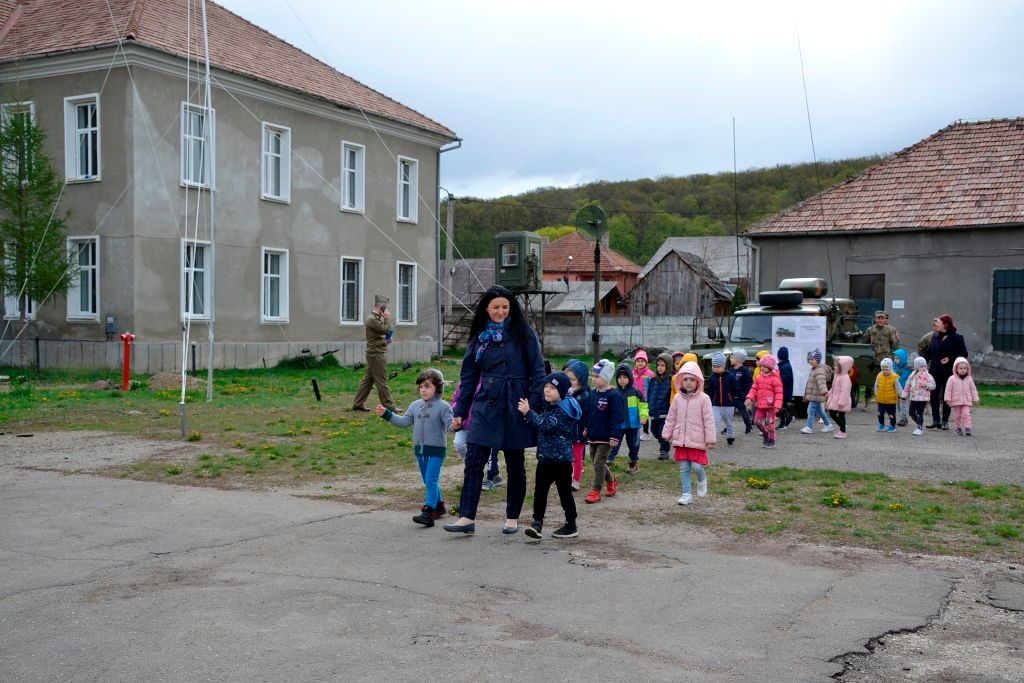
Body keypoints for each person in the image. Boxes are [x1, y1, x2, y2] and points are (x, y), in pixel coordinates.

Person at [444, 286, 545, 535]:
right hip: (485, 404)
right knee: (474, 460)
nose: (501, 312)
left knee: (515, 464)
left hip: (516, 404)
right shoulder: (479, 337)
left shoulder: (524, 333)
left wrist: (532, 404)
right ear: (486, 309)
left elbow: (539, 371)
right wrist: (460, 410)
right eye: (495, 307)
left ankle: (512, 517)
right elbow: (468, 376)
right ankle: (466, 517)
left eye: (505, 307)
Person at [376, 368, 453, 527]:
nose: (423, 390)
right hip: (420, 451)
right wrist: (387, 414)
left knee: (431, 481)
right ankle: (439, 506)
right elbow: (404, 422)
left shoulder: (444, 406)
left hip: (436, 452)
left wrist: (457, 425)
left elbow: (450, 426)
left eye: (427, 386)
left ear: (437, 388)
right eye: (421, 387)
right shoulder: (415, 405)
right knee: (428, 481)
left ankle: (428, 512)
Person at [518, 372, 581, 540]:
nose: (547, 390)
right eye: (546, 386)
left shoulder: (562, 411)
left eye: (552, 388)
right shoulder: (551, 405)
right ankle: (537, 524)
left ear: (561, 391)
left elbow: (546, 425)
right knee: (540, 492)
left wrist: (528, 412)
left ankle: (571, 524)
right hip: (545, 459)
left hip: (561, 462)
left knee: (564, 494)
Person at [662, 360, 715, 505]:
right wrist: (667, 433)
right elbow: (671, 417)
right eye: (685, 379)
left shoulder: (704, 399)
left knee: (697, 466)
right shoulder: (677, 399)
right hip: (681, 440)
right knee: (684, 467)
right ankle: (686, 494)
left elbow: (709, 420)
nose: (689, 382)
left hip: (697, 439)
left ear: (698, 381)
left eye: (692, 379)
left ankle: (702, 479)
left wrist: (710, 439)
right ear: (680, 381)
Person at [583, 359, 625, 504]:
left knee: (598, 463)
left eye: (596, 376)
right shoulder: (593, 394)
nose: (593, 379)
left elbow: (617, 417)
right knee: (596, 461)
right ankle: (612, 481)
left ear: (606, 377)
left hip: (607, 437)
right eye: (592, 376)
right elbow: (589, 414)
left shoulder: (614, 396)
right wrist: (586, 428)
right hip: (594, 435)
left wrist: (615, 435)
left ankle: (595, 491)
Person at [450, 378, 502, 487]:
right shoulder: (463, 384)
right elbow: (455, 400)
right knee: (458, 444)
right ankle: (472, 465)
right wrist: (457, 411)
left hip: (481, 425)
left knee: (485, 449)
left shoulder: (489, 382)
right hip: (463, 423)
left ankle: (491, 471)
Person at [351, 294, 396, 412]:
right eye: (385, 307)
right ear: (381, 306)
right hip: (376, 354)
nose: (386, 310)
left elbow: (377, 337)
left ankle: (357, 404)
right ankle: (388, 407)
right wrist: (386, 318)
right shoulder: (372, 319)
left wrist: (386, 341)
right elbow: (386, 329)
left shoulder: (375, 319)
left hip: (375, 352)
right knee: (382, 381)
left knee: (368, 381)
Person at [924, 314, 969, 430]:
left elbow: (964, 354)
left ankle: (945, 420)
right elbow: (928, 353)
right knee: (933, 394)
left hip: (949, 372)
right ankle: (936, 420)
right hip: (934, 370)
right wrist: (922, 365)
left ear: (945, 324)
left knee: (946, 396)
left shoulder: (957, 338)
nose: (935, 324)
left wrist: (950, 358)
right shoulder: (935, 336)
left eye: (938, 322)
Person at [608, 363, 648, 475]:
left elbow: (643, 405)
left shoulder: (636, 392)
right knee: (613, 444)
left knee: (634, 445)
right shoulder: (614, 393)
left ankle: (633, 462)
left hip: (633, 425)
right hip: (618, 425)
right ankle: (609, 463)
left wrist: (643, 416)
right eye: (619, 377)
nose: (622, 380)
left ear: (630, 378)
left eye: (625, 377)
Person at [562, 359, 591, 490]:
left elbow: (588, 415)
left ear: (581, 380)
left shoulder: (584, 396)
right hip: (567, 432)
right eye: (568, 379)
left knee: (577, 457)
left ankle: (576, 480)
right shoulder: (565, 393)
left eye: (573, 380)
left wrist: (587, 428)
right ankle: (566, 477)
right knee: (566, 457)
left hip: (579, 432)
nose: (570, 383)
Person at [861, 310, 900, 407]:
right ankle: (867, 402)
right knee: (870, 381)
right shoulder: (870, 330)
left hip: (886, 360)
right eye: (878, 318)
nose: (880, 320)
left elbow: (894, 345)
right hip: (873, 359)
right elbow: (864, 343)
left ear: (885, 319)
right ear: (875, 319)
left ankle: (888, 401)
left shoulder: (889, 330)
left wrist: (893, 357)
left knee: (888, 381)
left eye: (882, 318)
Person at [745, 353, 783, 448]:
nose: (762, 368)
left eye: (765, 367)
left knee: (770, 423)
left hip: (771, 406)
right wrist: (750, 397)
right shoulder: (759, 377)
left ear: (770, 367)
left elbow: (779, 393)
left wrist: (777, 405)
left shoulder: (775, 379)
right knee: (757, 421)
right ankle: (765, 434)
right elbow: (754, 389)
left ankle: (771, 439)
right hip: (760, 404)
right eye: (762, 366)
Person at [645, 352, 675, 459]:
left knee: (663, 431)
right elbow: (649, 394)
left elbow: (673, 395)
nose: (660, 368)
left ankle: (664, 451)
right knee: (654, 431)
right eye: (658, 365)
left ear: (668, 366)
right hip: (654, 411)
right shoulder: (653, 380)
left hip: (665, 412)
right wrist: (648, 405)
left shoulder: (671, 380)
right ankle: (664, 441)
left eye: (663, 365)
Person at [705, 352, 739, 446]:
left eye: (718, 366)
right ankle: (712, 440)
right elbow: (710, 392)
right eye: (714, 366)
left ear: (724, 366)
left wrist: (742, 399)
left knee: (729, 423)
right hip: (716, 405)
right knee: (714, 423)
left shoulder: (731, 376)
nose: (715, 368)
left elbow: (737, 389)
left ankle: (730, 438)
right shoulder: (712, 378)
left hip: (728, 405)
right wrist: (708, 402)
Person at [800, 349, 834, 434]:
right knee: (819, 411)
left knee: (810, 410)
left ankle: (809, 427)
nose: (810, 361)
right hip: (816, 395)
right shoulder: (815, 369)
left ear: (817, 360)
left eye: (812, 359)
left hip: (817, 395)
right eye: (809, 359)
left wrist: (825, 392)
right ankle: (828, 424)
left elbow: (821, 382)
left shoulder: (819, 370)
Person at [943, 357, 980, 436]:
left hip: (966, 400)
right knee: (958, 416)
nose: (963, 370)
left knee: (966, 414)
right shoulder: (951, 379)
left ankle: (967, 428)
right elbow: (948, 390)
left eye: (964, 368)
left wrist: (976, 399)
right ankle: (958, 428)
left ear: (967, 369)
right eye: (960, 368)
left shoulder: (969, 379)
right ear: (956, 369)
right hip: (956, 401)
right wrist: (947, 399)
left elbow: (973, 389)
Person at [901, 356, 936, 436]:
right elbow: (907, 386)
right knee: (911, 413)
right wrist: (904, 395)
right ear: (916, 367)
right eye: (921, 366)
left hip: (923, 398)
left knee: (920, 413)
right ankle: (919, 423)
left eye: (925, 366)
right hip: (913, 397)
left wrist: (926, 384)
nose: (924, 368)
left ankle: (919, 428)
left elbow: (933, 386)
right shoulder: (912, 375)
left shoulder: (928, 376)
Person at [825, 355, 854, 439]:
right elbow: (834, 387)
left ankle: (843, 431)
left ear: (843, 367)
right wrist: (829, 393)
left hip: (841, 402)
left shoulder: (845, 378)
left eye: (837, 365)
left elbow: (845, 391)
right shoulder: (837, 375)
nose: (835, 367)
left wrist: (842, 402)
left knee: (841, 415)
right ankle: (842, 425)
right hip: (835, 400)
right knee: (832, 413)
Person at [873, 358, 903, 433]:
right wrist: (876, 393)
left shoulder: (894, 377)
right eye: (883, 369)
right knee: (880, 413)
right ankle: (881, 425)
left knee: (891, 414)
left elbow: (898, 387)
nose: (885, 371)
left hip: (891, 401)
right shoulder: (879, 375)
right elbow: (876, 385)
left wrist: (902, 395)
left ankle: (892, 426)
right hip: (881, 400)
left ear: (891, 369)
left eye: (887, 369)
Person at [727, 350, 754, 434]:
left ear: (738, 359)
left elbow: (749, 383)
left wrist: (749, 396)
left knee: (744, 413)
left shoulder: (745, 371)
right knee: (729, 413)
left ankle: (749, 427)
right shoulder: (730, 370)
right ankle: (727, 428)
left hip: (741, 397)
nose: (730, 359)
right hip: (731, 396)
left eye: (732, 357)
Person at [632, 350, 656, 440]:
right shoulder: (632, 373)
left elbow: (653, 386)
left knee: (644, 415)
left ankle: (646, 433)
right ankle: (636, 432)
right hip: (634, 399)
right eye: (638, 361)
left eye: (642, 361)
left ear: (646, 362)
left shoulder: (650, 374)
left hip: (645, 398)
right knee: (635, 415)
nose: (640, 363)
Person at [776, 346, 795, 430]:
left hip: (784, 391)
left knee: (782, 407)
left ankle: (783, 424)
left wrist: (778, 380)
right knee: (783, 407)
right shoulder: (785, 365)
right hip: (785, 391)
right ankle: (788, 418)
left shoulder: (785, 367)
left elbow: (786, 378)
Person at [893, 349, 912, 426]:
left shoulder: (908, 368)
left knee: (903, 404)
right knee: (899, 404)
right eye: (894, 358)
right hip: (897, 389)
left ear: (902, 359)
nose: (895, 360)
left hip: (905, 389)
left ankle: (904, 418)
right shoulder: (895, 367)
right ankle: (902, 417)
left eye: (897, 358)